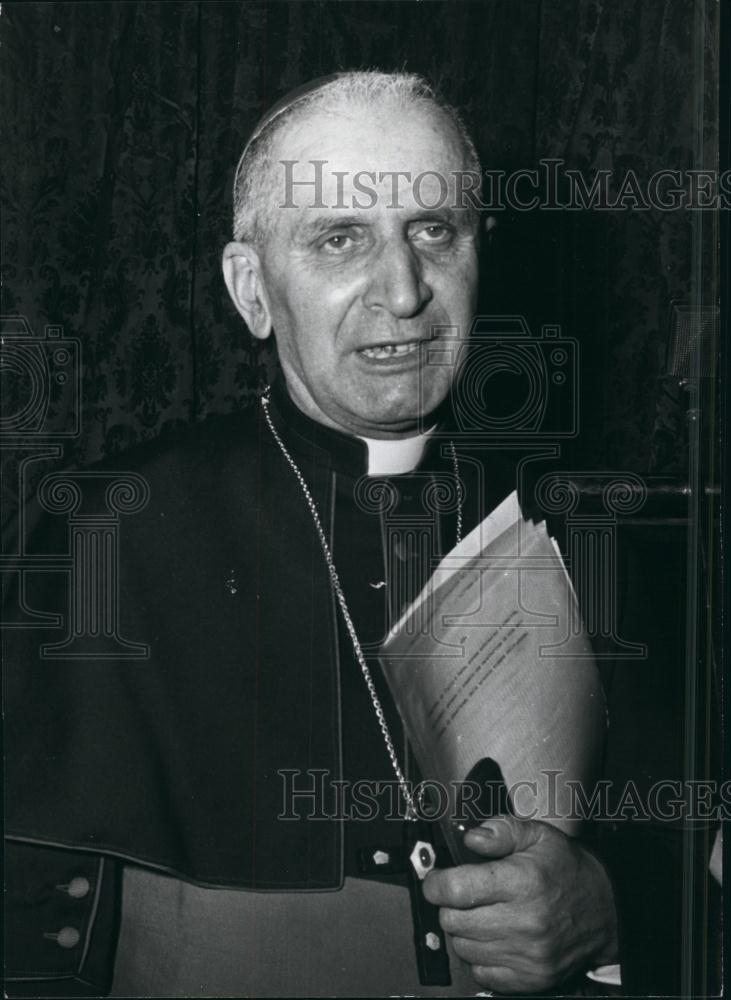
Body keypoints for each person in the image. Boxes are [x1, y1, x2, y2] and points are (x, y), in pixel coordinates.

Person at [3, 71, 710, 998]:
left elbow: (689, 847)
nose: (405, 291)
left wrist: (616, 907)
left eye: (433, 231)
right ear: (251, 288)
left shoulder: (581, 527)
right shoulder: (111, 527)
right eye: (340, 239)